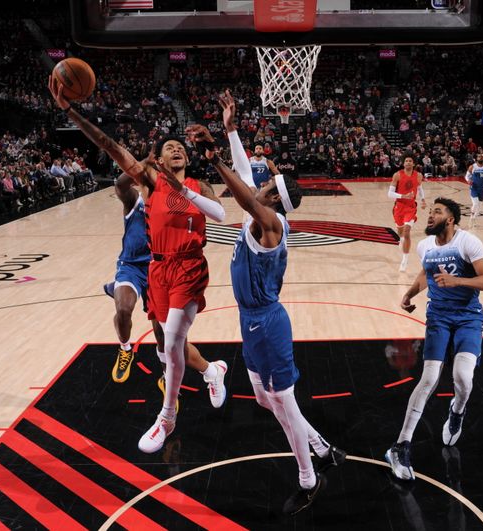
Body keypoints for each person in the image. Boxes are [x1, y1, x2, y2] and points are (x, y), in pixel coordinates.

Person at [48, 76, 227, 454]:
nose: (176, 149)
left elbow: (224, 212)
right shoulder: (148, 183)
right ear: (158, 160)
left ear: (187, 157)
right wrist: (71, 113)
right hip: (155, 271)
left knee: (174, 340)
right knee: (167, 346)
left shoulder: (200, 185)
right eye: (169, 147)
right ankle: (213, 370)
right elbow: (109, 145)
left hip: (190, 269)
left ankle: (166, 416)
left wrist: (220, 149)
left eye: (181, 146)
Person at [198, 90, 345, 515]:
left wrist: (213, 162)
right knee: (265, 399)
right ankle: (321, 445)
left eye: (264, 185)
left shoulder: (272, 224)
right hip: (251, 321)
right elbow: (244, 176)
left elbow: (243, 192)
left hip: (268, 322)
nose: (257, 183)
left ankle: (309, 476)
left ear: (274, 198)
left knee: (284, 400)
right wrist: (230, 129)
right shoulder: (259, 214)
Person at [385, 197, 483, 481]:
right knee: (429, 378)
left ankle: (457, 411)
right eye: (430, 210)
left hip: (468, 318)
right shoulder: (425, 246)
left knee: (463, 378)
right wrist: (410, 293)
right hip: (438, 318)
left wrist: (458, 281)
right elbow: (426, 274)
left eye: (436, 211)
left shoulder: (467, 242)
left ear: (450, 219)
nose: (429, 215)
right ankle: (400, 446)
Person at [103, 173, 227, 414]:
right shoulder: (135, 201)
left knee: (165, 338)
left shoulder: (175, 202)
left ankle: (167, 378)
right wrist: (137, 167)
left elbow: (208, 213)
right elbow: (119, 185)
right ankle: (125, 348)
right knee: (123, 308)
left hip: (160, 269)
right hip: (132, 267)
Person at [388, 154, 426, 272]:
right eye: (406, 161)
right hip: (399, 207)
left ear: (413, 163)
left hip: (410, 208)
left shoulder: (418, 175)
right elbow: (389, 194)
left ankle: (405, 259)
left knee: (407, 231)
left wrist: (423, 200)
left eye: (410, 161)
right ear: (403, 163)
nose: (408, 162)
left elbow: (419, 189)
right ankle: (401, 239)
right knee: (400, 232)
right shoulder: (397, 175)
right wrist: (403, 195)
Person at [464, 153, 483, 227]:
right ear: (477, 158)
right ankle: (471, 217)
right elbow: (466, 176)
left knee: (479, 207)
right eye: (479, 156)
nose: (480, 158)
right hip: (474, 188)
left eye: (482, 157)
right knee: (475, 204)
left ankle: (474, 218)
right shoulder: (472, 167)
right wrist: (468, 180)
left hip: (482, 189)